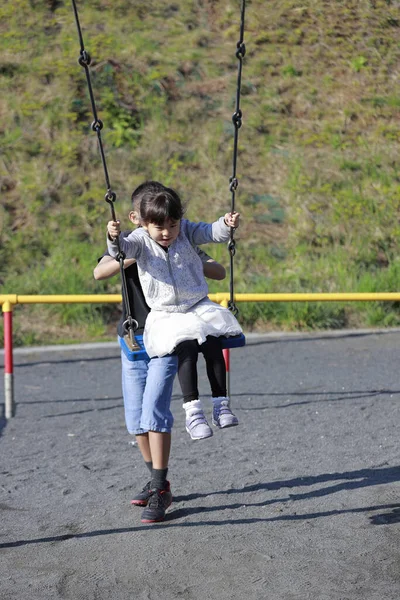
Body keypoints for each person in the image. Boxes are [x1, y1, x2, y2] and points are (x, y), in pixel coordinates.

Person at [94, 188, 226, 523]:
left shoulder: (178, 244)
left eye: (169, 224)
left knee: (154, 411)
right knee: (136, 420)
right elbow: (101, 271)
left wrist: (186, 258)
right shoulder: (132, 243)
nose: (163, 231)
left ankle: (158, 486)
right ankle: (157, 480)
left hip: (165, 338)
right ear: (136, 219)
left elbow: (218, 271)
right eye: (151, 222)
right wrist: (139, 252)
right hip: (132, 338)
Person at [106, 181, 242, 442]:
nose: (168, 232)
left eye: (173, 225)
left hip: (197, 305)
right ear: (143, 223)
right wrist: (113, 238)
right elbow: (121, 252)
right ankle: (193, 413)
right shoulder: (139, 241)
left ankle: (221, 404)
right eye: (160, 227)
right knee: (187, 349)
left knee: (213, 344)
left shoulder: (186, 231)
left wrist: (226, 224)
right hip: (167, 313)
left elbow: (211, 232)